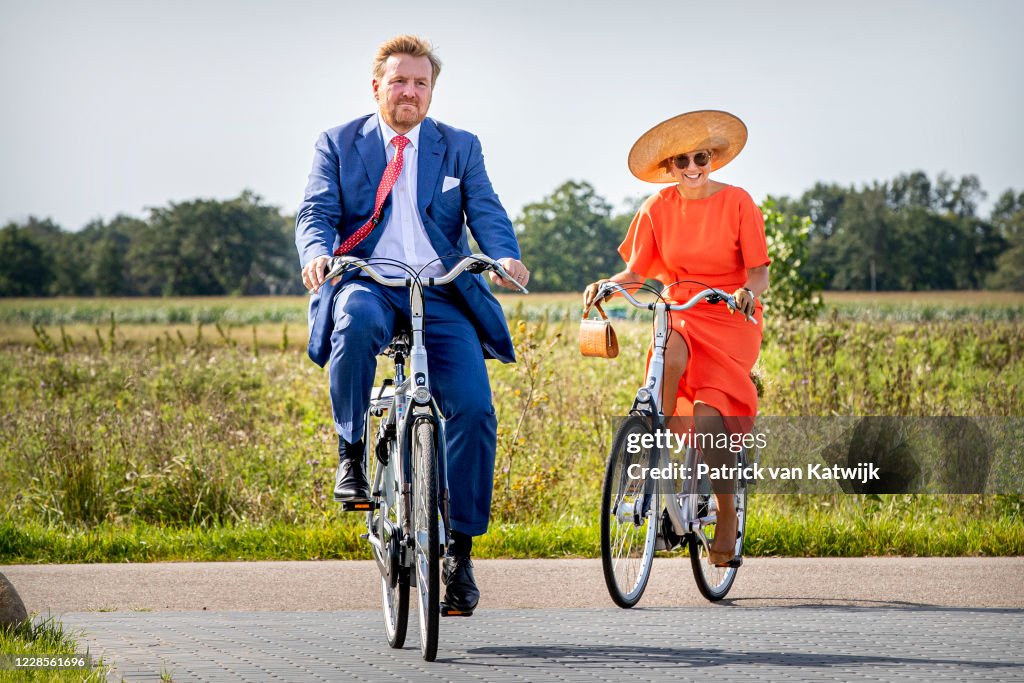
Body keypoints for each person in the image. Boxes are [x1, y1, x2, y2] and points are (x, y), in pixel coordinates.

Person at [295, 34, 530, 614]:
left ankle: (460, 553)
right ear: (377, 86)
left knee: (474, 410)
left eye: (420, 83)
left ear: (431, 90)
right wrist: (317, 253)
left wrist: (503, 254)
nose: (410, 92)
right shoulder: (339, 143)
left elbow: (487, 209)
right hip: (368, 280)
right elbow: (317, 212)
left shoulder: (459, 146)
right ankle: (351, 457)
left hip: (441, 290)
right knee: (352, 323)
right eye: (399, 81)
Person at [583, 110, 770, 566]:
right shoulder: (657, 209)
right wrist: (607, 285)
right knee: (667, 357)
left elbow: (759, 273)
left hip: (729, 314)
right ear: (668, 168)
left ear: (713, 159)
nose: (692, 167)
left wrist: (746, 293)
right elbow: (636, 272)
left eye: (700, 157)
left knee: (710, 423)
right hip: (680, 308)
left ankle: (727, 514)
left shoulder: (739, 202)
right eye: (681, 161)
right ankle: (654, 443)